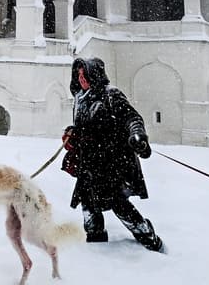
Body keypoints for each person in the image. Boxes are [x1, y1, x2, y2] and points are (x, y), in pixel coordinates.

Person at [61, 57, 165, 252]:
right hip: (89, 163)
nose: (82, 79)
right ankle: (97, 244)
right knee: (89, 207)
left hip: (111, 162)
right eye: (79, 75)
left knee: (119, 205)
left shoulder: (111, 95)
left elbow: (131, 117)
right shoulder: (80, 97)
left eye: (85, 75)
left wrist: (137, 135)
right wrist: (73, 133)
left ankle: (149, 239)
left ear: (95, 74)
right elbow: (83, 127)